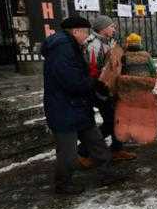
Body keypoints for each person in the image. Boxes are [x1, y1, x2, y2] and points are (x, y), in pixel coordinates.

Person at [41, 16, 123, 195]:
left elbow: (80, 75)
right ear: (76, 31)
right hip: (63, 108)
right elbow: (70, 80)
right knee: (67, 153)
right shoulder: (61, 49)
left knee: (97, 144)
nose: (87, 36)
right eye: (85, 32)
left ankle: (107, 174)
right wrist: (93, 83)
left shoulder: (71, 46)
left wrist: (94, 84)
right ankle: (63, 185)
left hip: (78, 106)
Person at [79, 15, 136, 167]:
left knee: (119, 118)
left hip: (111, 88)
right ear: (103, 28)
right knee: (111, 121)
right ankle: (82, 152)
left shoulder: (108, 41)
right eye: (111, 26)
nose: (114, 29)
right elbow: (92, 72)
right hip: (99, 90)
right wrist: (101, 91)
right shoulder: (93, 45)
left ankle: (117, 149)